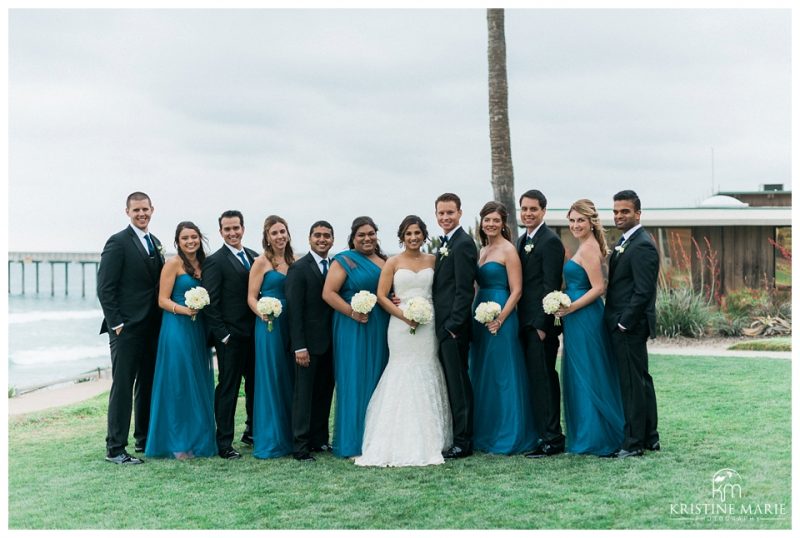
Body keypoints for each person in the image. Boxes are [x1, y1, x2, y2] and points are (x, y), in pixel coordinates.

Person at [355, 216, 452, 467]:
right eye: (408, 234)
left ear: (423, 235)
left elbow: (442, 290)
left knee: (427, 366)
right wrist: (404, 316)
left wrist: (424, 315)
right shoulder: (393, 262)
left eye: (417, 233)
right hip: (399, 325)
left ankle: (431, 437)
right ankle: (394, 437)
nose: (413, 238)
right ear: (402, 236)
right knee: (401, 369)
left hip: (428, 324)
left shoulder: (433, 260)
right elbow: (382, 295)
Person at [97, 191, 164, 465]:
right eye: (136, 210)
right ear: (127, 212)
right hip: (126, 329)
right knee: (123, 386)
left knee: (146, 384)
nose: (141, 214)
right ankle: (115, 448)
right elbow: (105, 287)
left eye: (145, 209)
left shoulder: (155, 242)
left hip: (151, 327)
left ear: (152, 209)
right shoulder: (117, 242)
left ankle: (143, 439)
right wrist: (117, 324)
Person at [554, 200, 625, 456]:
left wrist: (570, 307)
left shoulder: (590, 248)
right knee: (580, 372)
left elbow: (598, 288)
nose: (575, 225)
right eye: (571, 220)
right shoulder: (583, 246)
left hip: (585, 318)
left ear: (591, 222)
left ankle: (597, 436)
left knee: (589, 373)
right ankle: (585, 432)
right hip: (575, 318)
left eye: (580, 220)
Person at [469, 201, 537, 455]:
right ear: (481, 222)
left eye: (495, 220)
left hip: (501, 314)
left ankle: (510, 432)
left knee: (503, 373)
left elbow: (517, 290)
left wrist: (500, 318)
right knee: (483, 372)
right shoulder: (483, 249)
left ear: (503, 223)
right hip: (480, 312)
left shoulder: (509, 250)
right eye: (487, 219)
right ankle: (486, 431)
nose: (491, 224)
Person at [145, 222, 216, 459]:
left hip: (198, 330)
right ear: (178, 241)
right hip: (177, 328)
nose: (190, 241)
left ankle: (198, 439)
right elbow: (162, 300)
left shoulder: (206, 263)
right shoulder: (172, 264)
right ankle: (177, 443)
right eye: (185, 238)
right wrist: (184, 310)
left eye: (194, 237)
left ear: (200, 238)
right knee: (178, 384)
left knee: (196, 382)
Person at [322, 216, 390, 458]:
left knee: (379, 378)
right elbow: (328, 293)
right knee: (355, 378)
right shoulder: (344, 260)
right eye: (361, 235)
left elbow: (386, 292)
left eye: (371, 233)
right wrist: (352, 312)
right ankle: (354, 440)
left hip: (380, 325)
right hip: (352, 326)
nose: (367, 238)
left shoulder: (384, 261)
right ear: (353, 237)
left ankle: (378, 438)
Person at [604, 190, 661, 458]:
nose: (619, 216)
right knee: (640, 381)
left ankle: (633, 443)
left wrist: (624, 323)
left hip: (629, 326)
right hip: (625, 324)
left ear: (638, 213)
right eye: (615, 211)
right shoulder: (625, 242)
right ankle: (650, 437)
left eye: (624, 211)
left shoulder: (643, 245)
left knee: (632, 384)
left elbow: (643, 291)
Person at [202, 210, 258, 460]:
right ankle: (224, 442)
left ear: (243, 228)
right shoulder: (215, 261)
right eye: (227, 229)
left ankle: (252, 430)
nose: (232, 233)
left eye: (236, 228)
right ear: (221, 232)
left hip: (255, 336)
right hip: (230, 339)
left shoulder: (255, 257)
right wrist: (222, 335)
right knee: (228, 388)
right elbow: (209, 302)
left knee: (256, 387)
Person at [516, 189, 566, 459]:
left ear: (544, 210)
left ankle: (552, 439)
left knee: (545, 379)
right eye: (524, 209)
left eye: (533, 209)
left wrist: (543, 326)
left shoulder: (551, 242)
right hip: (521, 323)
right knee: (535, 381)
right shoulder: (521, 240)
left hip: (539, 326)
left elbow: (550, 286)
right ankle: (542, 433)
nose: (528, 213)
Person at [432, 193, 478, 459]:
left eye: (450, 213)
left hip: (453, 329)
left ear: (459, 213)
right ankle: (459, 435)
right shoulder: (447, 242)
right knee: (452, 383)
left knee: (459, 384)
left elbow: (464, 290)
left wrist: (453, 326)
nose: (446, 218)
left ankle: (463, 441)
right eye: (441, 213)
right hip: (443, 327)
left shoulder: (463, 244)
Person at [286, 221, 336, 462]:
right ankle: (300, 446)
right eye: (318, 235)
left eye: (326, 236)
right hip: (307, 345)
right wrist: (299, 346)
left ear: (332, 240)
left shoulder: (335, 266)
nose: (322, 239)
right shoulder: (299, 268)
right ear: (309, 239)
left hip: (331, 344)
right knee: (303, 396)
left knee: (324, 393)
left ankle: (319, 440)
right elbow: (294, 311)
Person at [247, 215, 296, 459]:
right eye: (274, 233)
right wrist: (263, 314)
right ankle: (272, 439)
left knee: (290, 377)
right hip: (270, 326)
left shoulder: (294, 260)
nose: (280, 236)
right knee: (272, 377)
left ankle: (292, 435)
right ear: (267, 237)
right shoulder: (261, 262)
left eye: (282, 231)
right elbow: (251, 297)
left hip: (292, 324)